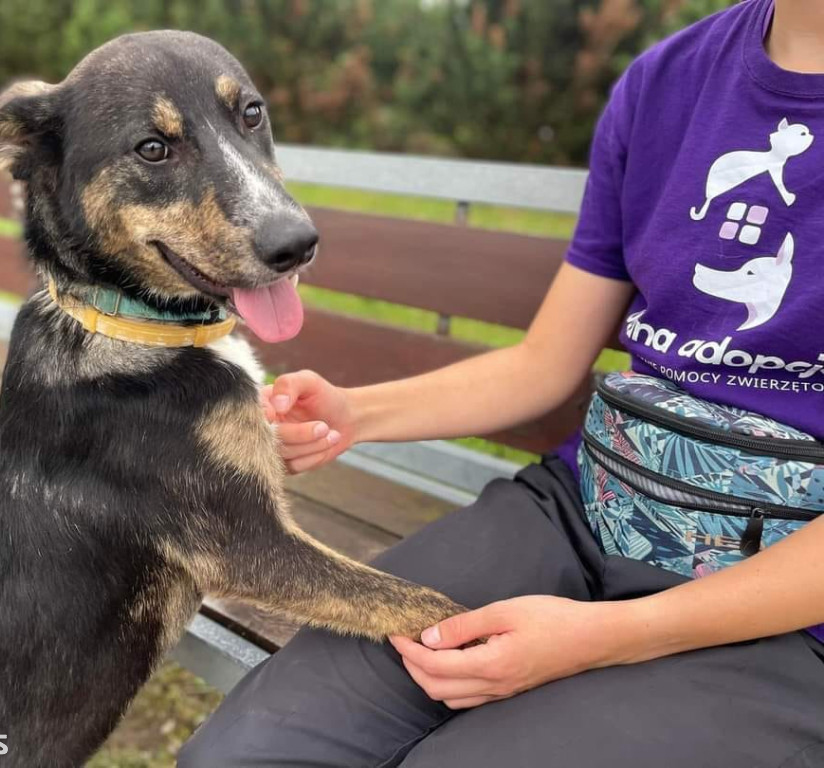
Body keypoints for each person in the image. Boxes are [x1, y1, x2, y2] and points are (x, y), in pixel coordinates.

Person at [179, 1, 824, 764]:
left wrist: (600, 640)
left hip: (788, 606)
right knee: (250, 752)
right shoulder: (667, 81)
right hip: (585, 510)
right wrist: (354, 413)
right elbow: (546, 363)